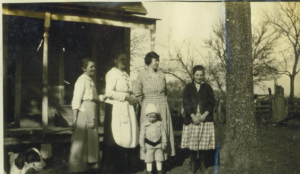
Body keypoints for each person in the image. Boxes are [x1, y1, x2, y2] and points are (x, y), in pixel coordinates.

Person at [134, 51, 176, 169]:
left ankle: (162, 160)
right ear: (149, 62)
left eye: (158, 60)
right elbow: (137, 93)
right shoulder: (142, 75)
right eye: (155, 60)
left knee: (162, 130)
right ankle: (148, 163)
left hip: (162, 105)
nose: (157, 62)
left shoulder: (162, 74)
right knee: (148, 131)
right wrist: (145, 106)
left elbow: (165, 92)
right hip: (148, 105)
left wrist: (163, 104)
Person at [102, 53, 139, 174]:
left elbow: (129, 90)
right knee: (115, 138)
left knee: (127, 136)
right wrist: (125, 97)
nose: (124, 61)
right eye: (121, 59)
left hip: (127, 108)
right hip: (115, 108)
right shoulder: (112, 74)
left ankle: (125, 167)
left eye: (125, 59)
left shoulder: (125, 75)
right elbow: (109, 93)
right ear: (115, 60)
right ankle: (113, 169)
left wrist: (132, 98)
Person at [181, 65, 216, 174]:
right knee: (193, 143)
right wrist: (192, 116)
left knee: (203, 144)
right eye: (197, 75)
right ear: (193, 75)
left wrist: (205, 114)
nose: (199, 77)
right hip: (192, 118)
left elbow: (212, 102)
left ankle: (202, 165)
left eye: (201, 75)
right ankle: (192, 165)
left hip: (204, 118)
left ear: (203, 75)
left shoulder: (207, 87)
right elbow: (186, 103)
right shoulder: (188, 87)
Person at [69, 58, 100, 174]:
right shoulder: (81, 81)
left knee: (91, 139)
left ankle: (90, 166)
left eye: (94, 66)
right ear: (83, 68)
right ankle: (76, 167)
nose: (94, 69)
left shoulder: (90, 80)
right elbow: (76, 100)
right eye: (91, 66)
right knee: (80, 140)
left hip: (91, 110)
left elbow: (95, 98)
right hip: (84, 113)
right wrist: (75, 118)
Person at [140, 104, 167, 174]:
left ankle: (159, 170)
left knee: (159, 158)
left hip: (158, 145)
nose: (152, 119)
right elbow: (142, 136)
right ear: (146, 116)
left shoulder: (160, 124)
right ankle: (149, 171)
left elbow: (163, 135)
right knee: (148, 159)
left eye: (154, 117)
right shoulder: (144, 125)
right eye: (150, 117)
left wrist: (164, 143)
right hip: (148, 146)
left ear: (157, 116)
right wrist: (142, 146)